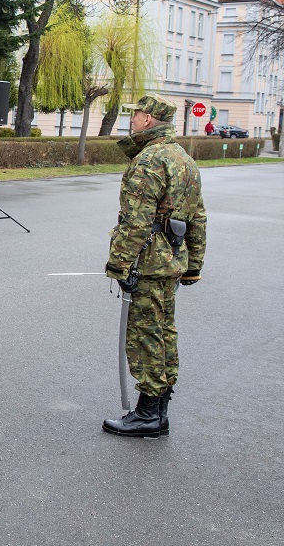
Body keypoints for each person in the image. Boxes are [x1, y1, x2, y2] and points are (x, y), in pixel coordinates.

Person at [103, 94, 206, 438]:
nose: (132, 120)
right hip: (171, 261)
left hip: (147, 261)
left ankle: (147, 414)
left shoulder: (148, 160)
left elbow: (136, 220)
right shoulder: (183, 159)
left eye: (136, 116)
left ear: (148, 120)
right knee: (164, 333)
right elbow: (198, 218)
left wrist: (118, 264)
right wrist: (193, 264)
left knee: (145, 336)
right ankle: (159, 411)